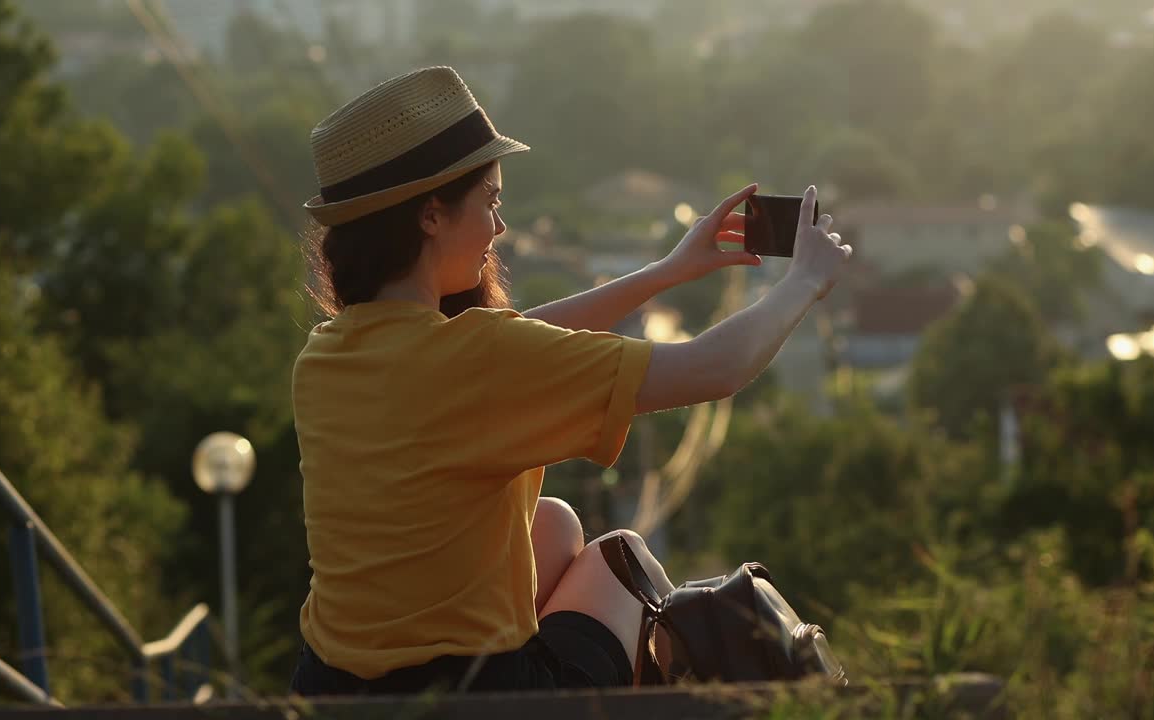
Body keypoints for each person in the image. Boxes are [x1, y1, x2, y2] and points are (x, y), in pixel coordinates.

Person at [288, 66, 851, 696]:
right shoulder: (477, 359)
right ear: (430, 217)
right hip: (470, 697)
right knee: (622, 559)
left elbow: (511, 344)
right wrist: (804, 282)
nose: (499, 228)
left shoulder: (329, 354)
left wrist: (664, 272)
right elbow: (714, 368)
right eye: (491, 201)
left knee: (552, 522)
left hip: (332, 685)